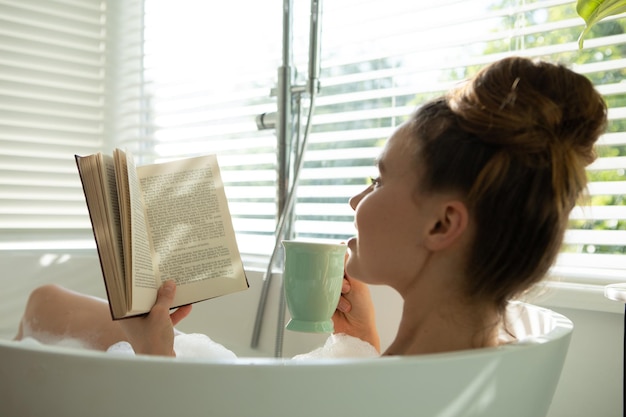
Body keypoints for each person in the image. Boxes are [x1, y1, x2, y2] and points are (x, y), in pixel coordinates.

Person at [14, 56, 607, 357]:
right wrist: (367, 347)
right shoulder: (487, 356)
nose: (357, 198)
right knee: (47, 300)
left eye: (377, 181)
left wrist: (153, 365)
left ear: (442, 223)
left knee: (43, 308)